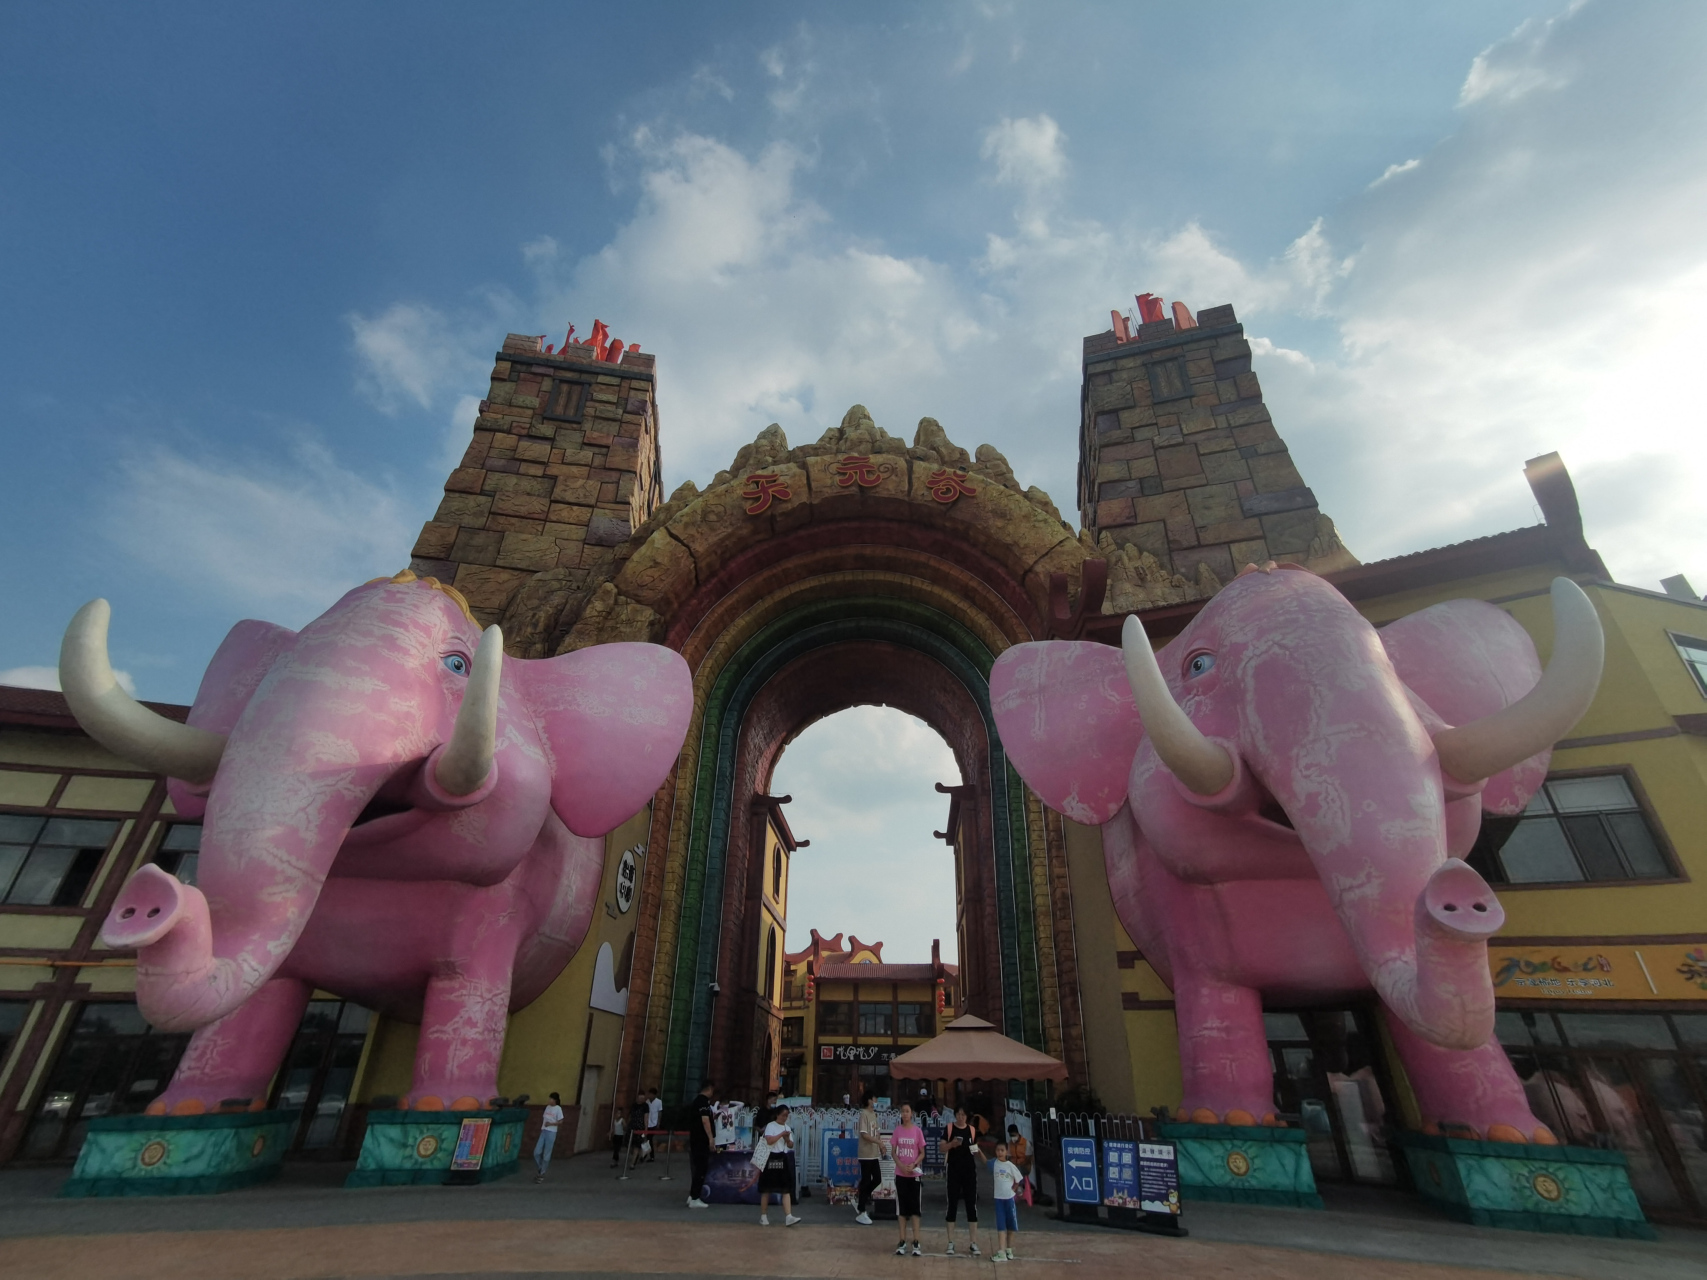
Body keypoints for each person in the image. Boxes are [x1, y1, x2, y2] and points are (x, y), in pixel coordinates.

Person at [942, 1105, 982, 1255]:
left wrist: (976, 1150)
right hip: (953, 1171)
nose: (961, 1117)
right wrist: (951, 1144)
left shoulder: (971, 1130)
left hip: (969, 1172)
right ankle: (951, 1242)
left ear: (967, 1116)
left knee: (971, 1206)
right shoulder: (949, 1128)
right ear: (955, 1115)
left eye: (963, 1115)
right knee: (952, 1205)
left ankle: (973, 1242)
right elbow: (941, 1148)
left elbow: (974, 1148)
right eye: (958, 1114)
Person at [753, 1102, 802, 1226]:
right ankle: (763, 1216)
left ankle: (788, 1216)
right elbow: (769, 1141)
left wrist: (786, 1138)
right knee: (766, 1189)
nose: (785, 1118)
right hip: (770, 1158)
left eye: (786, 1116)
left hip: (782, 1157)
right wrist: (781, 1135)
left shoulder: (787, 1128)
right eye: (783, 1115)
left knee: (786, 1189)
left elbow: (791, 1144)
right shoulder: (771, 1126)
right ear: (777, 1115)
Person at [890, 1102, 926, 1256]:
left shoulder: (917, 1131)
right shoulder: (897, 1131)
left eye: (907, 1111)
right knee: (902, 1210)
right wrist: (901, 1165)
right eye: (902, 1111)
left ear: (912, 1114)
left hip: (914, 1175)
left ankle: (916, 1241)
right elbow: (893, 1152)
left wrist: (914, 1164)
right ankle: (902, 1240)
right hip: (900, 1175)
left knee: (915, 1210)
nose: (905, 1114)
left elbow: (922, 1152)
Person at [989, 1141, 1023, 1262]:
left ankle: (1009, 1249)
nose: (1000, 1152)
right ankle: (1001, 1251)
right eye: (998, 1150)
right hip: (998, 1199)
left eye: (1002, 1150)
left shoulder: (1010, 1165)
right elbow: (985, 1162)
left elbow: (1018, 1179)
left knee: (1011, 1225)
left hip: (1009, 1199)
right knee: (1001, 1225)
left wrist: (1013, 1190)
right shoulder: (994, 1163)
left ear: (1006, 1152)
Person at [854, 1090, 883, 1226]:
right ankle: (861, 1210)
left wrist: (881, 1145)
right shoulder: (863, 1114)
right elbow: (864, 1134)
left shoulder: (873, 1115)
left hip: (874, 1153)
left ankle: (862, 1196)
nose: (876, 1100)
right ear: (869, 1100)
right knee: (866, 1180)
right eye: (874, 1098)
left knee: (877, 1178)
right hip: (865, 1153)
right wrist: (878, 1142)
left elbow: (876, 1132)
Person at [688, 1080, 715, 1209]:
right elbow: (705, 1121)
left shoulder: (696, 1102)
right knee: (701, 1168)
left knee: (697, 1167)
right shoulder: (703, 1102)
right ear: (709, 1089)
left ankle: (692, 1194)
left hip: (695, 1139)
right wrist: (711, 1138)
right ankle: (695, 1198)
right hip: (701, 1140)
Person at [534, 1092, 564, 1183]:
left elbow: (561, 1121)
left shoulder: (558, 1109)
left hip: (551, 1132)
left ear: (555, 1100)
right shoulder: (547, 1107)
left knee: (546, 1154)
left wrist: (551, 1124)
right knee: (536, 1152)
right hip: (544, 1131)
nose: (549, 1100)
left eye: (551, 1099)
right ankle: (540, 1167)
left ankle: (542, 1173)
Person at [646, 1087, 664, 1160]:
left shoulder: (659, 1102)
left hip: (654, 1123)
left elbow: (660, 1112)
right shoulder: (647, 1102)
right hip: (647, 1123)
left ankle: (650, 1155)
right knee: (648, 1140)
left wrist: (658, 1123)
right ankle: (648, 1155)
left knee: (650, 1139)